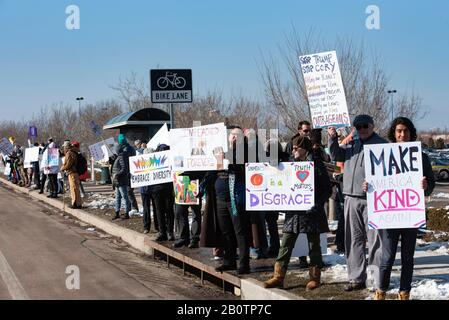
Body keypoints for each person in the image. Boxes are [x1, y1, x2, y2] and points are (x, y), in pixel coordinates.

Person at [372, 117, 435, 300]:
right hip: (389, 214)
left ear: (411, 133)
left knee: (408, 258)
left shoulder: (420, 157)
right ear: (394, 133)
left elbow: (431, 184)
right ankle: (381, 292)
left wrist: (425, 186)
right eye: (399, 130)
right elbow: (375, 181)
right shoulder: (382, 155)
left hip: (410, 214)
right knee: (388, 256)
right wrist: (369, 186)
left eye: (406, 131)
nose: (402, 134)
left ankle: (404, 293)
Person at [328, 114, 388, 291]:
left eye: (365, 126)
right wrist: (332, 138)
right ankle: (355, 278)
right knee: (353, 240)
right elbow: (335, 154)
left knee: (376, 241)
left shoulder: (382, 145)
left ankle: (374, 281)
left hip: (373, 199)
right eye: (358, 126)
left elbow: (389, 173)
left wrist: (375, 183)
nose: (361, 129)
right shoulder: (351, 143)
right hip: (350, 198)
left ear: (372, 126)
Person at [264, 135, 331, 290]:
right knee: (286, 244)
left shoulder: (316, 164)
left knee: (314, 245)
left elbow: (327, 188)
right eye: (292, 147)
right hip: (293, 212)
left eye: (296, 148)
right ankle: (278, 277)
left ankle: (315, 277)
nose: (293, 150)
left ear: (304, 149)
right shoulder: (289, 163)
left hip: (311, 212)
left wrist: (318, 204)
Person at [152, 144, 176, 241]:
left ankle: (168, 232)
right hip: (158, 189)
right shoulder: (154, 160)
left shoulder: (172, 160)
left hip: (167, 188)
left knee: (167, 211)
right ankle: (164, 232)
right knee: (161, 211)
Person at [111, 144, 131, 220]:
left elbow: (124, 168)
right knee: (118, 198)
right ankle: (117, 212)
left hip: (121, 181)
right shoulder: (119, 156)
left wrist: (117, 174)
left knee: (124, 197)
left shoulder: (122, 156)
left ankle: (126, 213)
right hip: (117, 181)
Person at [61, 141, 83, 209]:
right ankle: (78, 203)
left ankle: (75, 203)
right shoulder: (73, 152)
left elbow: (69, 164)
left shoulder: (69, 153)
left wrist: (63, 168)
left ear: (66, 147)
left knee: (73, 189)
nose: (63, 148)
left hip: (72, 172)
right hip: (74, 172)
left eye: (64, 147)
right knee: (76, 188)